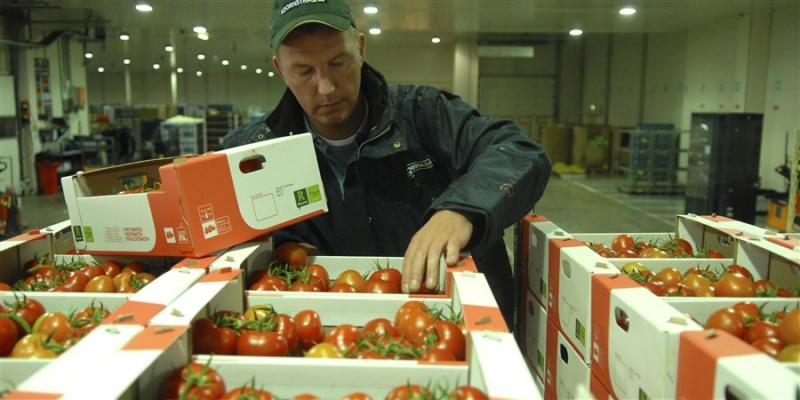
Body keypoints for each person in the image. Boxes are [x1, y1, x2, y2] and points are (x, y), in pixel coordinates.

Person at [223, 0, 551, 326]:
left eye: (338, 62)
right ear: (280, 69)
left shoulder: (424, 114)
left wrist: (461, 210)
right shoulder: (254, 153)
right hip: (335, 345)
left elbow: (521, 152)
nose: (325, 87)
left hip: (458, 331)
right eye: (304, 71)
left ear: (361, 48)